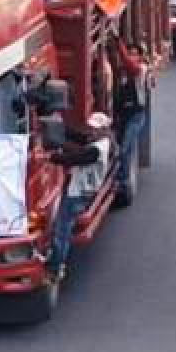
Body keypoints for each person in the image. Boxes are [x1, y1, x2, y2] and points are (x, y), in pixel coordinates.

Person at [46, 112, 112, 281]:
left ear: (104, 130)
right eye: (91, 127)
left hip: (78, 194)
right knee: (62, 228)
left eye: (96, 129)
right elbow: (79, 138)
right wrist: (59, 126)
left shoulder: (97, 150)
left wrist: (52, 157)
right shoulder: (97, 142)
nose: (92, 131)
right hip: (79, 192)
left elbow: (75, 158)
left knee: (62, 230)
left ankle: (56, 267)